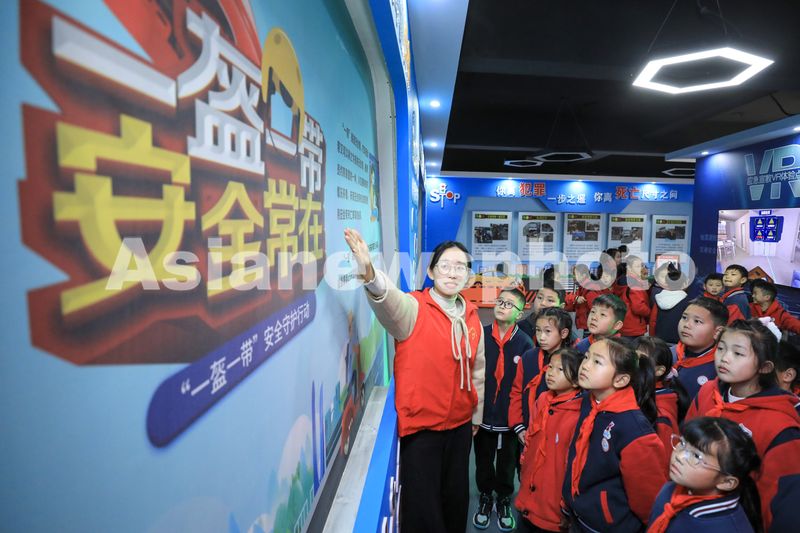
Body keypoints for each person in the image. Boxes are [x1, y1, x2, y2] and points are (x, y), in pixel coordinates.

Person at [344, 228, 485, 533]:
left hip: (461, 425)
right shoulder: (414, 308)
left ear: (468, 276)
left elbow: (478, 371)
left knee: (455, 498)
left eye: (460, 267)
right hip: (422, 429)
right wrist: (370, 273)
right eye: (445, 266)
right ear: (431, 272)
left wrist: (476, 416)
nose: (453, 273)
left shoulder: (472, 316)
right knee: (423, 508)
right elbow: (388, 299)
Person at [686, 319, 800, 532]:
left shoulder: (780, 426)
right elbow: (686, 441)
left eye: (738, 353)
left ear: (765, 367)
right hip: (689, 507)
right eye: (721, 348)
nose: (724, 358)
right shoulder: (708, 392)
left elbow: (780, 502)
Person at [562, 338, 666, 531]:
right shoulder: (589, 402)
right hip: (580, 515)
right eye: (587, 357)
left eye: (597, 362)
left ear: (620, 380)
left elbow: (648, 498)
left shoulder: (634, 430)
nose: (585, 365)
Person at [473, 288, 533, 531]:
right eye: (500, 301)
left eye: (509, 304)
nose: (502, 306)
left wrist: (521, 420)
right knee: (483, 459)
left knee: (507, 462)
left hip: (510, 418)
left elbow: (525, 386)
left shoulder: (524, 342)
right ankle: (485, 496)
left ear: (519, 314)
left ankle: (504, 498)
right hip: (483, 413)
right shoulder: (481, 335)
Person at [647, 417, 763, 533]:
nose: (679, 456)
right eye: (682, 443)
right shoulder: (669, 489)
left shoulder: (726, 528)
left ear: (726, 482)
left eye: (696, 456)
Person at [516, 348, 583, 533]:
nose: (551, 373)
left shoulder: (578, 414)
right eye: (550, 367)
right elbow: (530, 436)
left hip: (553, 503)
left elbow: (573, 466)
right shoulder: (543, 399)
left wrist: (565, 506)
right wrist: (524, 463)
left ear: (576, 380)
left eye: (560, 369)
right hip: (529, 493)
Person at [509, 308, 573, 445]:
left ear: (564, 333)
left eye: (547, 331)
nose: (541, 337)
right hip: (528, 428)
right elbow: (516, 391)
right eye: (538, 330)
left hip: (557, 434)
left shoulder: (572, 362)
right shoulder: (528, 357)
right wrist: (519, 426)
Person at [635, 337, 690, 472]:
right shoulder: (638, 391)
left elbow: (662, 466)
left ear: (659, 370)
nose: (631, 365)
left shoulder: (661, 415)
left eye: (640, 361)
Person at [673, 297, 729, 400]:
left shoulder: (721, 368)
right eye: (684, 317)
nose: (687, 325)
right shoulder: (670, 353)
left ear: (717, 332)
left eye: (697, 321)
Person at [649, 263, 692, 345]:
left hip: (660, 339)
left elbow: (653, 321)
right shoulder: (687, 302)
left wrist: (652, 338)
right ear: (684, 284)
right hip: (678, 340)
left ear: (667, 283)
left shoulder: (658, 298)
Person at [566, 264, 612, 338]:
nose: (573, 277)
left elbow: (597, 309)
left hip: (588, 327)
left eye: (575, 275)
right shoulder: (583, 288)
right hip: (587, 326)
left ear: (584, 275)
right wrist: (575, 298)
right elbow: (571, 303)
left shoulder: (590, 289)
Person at [613, 255, 651, 340]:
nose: (641, 268)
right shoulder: (635, 284)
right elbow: (638, 307)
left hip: (624, 323)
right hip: (634, 326)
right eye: (637, 266)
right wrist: (650, 312)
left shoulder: (623, 280)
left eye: (642, 265)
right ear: (629, 268)